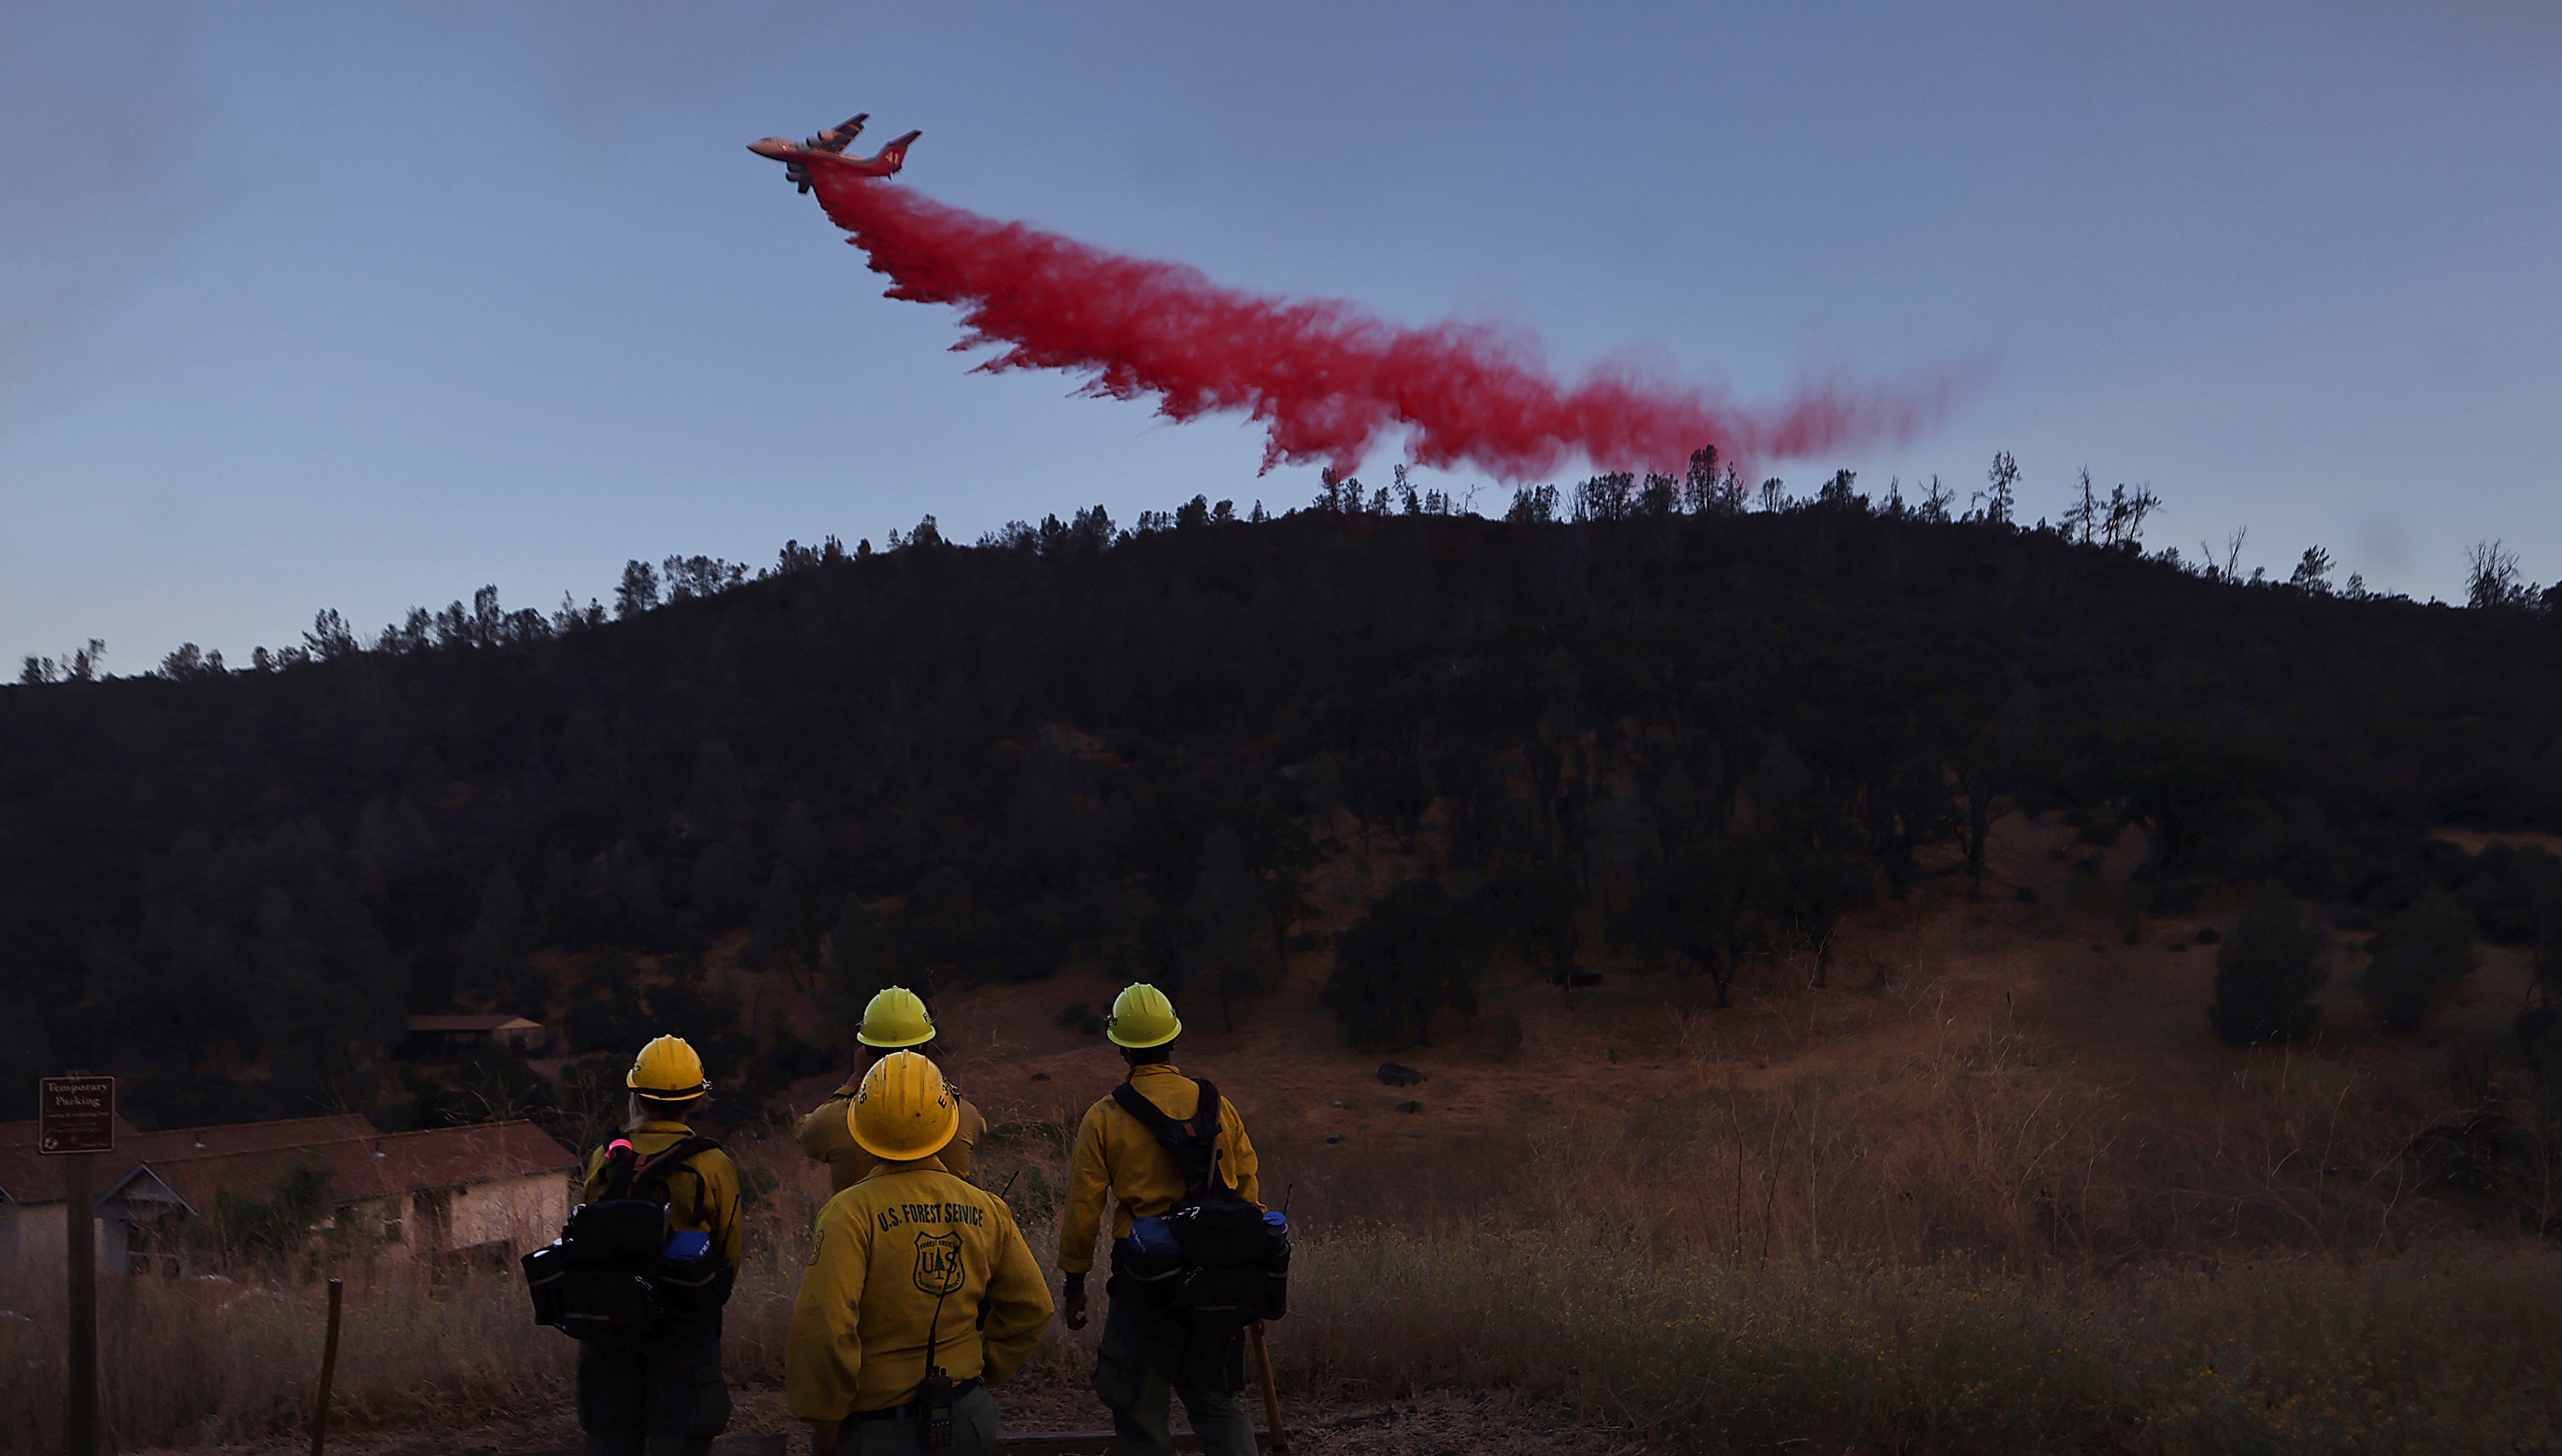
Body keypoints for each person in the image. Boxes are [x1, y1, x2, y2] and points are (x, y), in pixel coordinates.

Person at [787, 1050, 1054, 1455]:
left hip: (876, 1429)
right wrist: (983, 1372)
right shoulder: (987, 1208)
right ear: (946, 1125)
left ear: (859, 1126)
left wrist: (825, 1420)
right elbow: (1034, 1307)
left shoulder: (848, 1213)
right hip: (966, 1418)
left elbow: (826, 1329)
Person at [1057, 984, 1264, 1456]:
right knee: (1217, 1402)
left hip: (1144, 1281)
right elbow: (1248, 1186)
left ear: (1122, 1046)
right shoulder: (1216, 1104)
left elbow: (1083, 1209)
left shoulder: (1105, 1117)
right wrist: (1247, 1280)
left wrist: (1074, 1284)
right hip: (1218, 1276)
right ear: (1173, 1037)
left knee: (1139, 1410)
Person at [575, 1035, 744, 1456]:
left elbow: (587, 1226)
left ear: (637, 1095)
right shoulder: (712, 1164)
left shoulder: (607, 1157)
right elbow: (729, 1252)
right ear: (695, 1100)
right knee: (681, 1439)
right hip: (684, 1328)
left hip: (610, 1325)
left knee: (610, 1438)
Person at [799, 986, 988, 1192]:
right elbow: (979, 1127)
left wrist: (854, 1079)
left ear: (867, 1050)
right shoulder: (963, 1115)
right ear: (925, 1047)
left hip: (861, 1223)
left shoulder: (832, 1122)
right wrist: (930, 1081)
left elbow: (805, 1134)